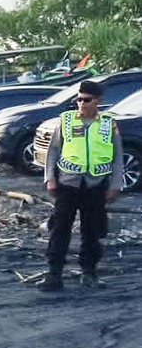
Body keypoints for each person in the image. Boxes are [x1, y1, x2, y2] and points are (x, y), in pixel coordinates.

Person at [37, 80, 124, 291]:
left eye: (86, 100)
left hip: (96, 186)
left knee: (92, 231)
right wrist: (50, 178)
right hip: (68, 185)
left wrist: (115, 185)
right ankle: (54, 275)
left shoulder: (108, 124)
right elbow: (53, 152)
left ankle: (89, 273)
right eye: (78, 99)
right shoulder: (66, 121)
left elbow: (117, 156)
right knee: (60, 229)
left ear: (98, 101)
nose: (81, 103)